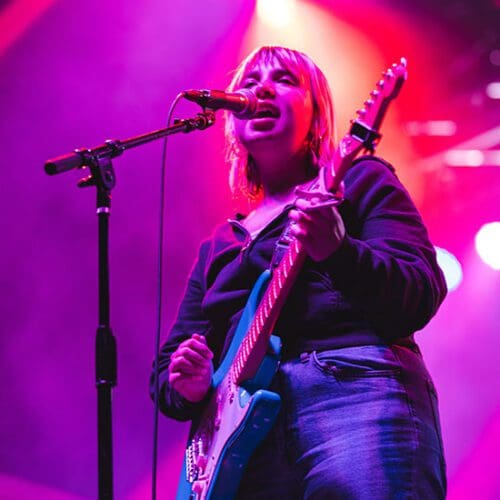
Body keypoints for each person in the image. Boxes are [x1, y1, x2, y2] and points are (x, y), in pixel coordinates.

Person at [151, 46, 447, 499]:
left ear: (318, 115)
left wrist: (339, 251)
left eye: (285, 80)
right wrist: (186, 385)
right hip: (242, 441)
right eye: (249, 82)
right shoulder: (219, 245)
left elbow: (420, 291)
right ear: (230, 119)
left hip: (352, 393)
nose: (262, 88)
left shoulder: (359, 180)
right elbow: (168, 367)